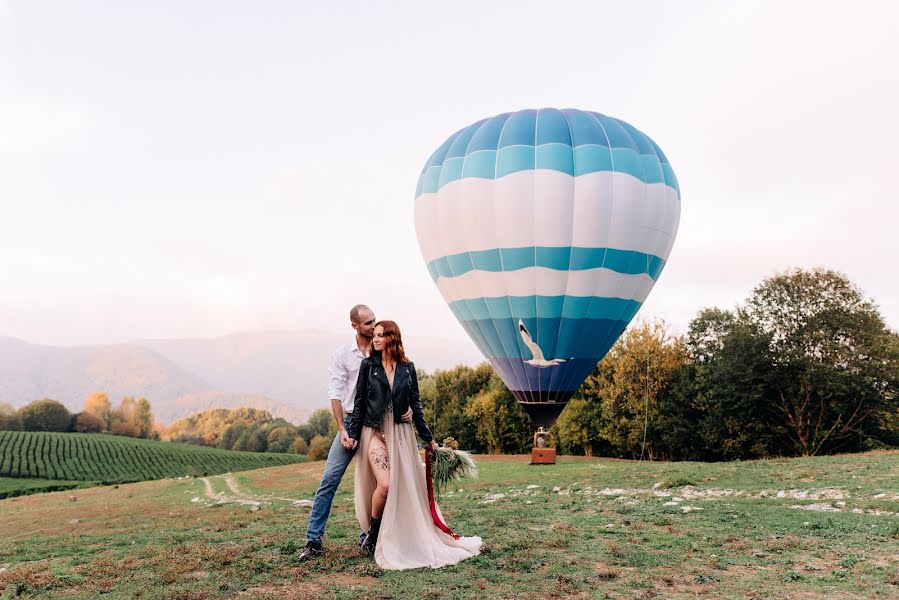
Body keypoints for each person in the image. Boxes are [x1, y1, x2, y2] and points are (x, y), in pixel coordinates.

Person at [346, 320, 481, 570]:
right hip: (373, 431)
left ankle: (396, 533)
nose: (375, 340)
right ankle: (373, 534)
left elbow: (415, 404)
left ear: (392, 338)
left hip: (400, 432)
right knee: (385, 484)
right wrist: (353, 434)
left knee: (403, 486)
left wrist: (429, 440)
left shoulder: (408, 368)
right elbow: (359, 402)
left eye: (380, 335)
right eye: (373, 335)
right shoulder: (368, 366)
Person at [299, 305, 414, 562]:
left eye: (375, 321)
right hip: (352, 423)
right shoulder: (343, 355)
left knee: (384, 482)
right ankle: (313, 540)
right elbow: (336, 394)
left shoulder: (383, 348)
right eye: (368, 323)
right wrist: (342, 429)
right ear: (354, 326)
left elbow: (402, 384)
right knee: (330, 479)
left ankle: (373, 536)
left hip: (379, 425)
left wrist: (407, 411)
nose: (374, 327)